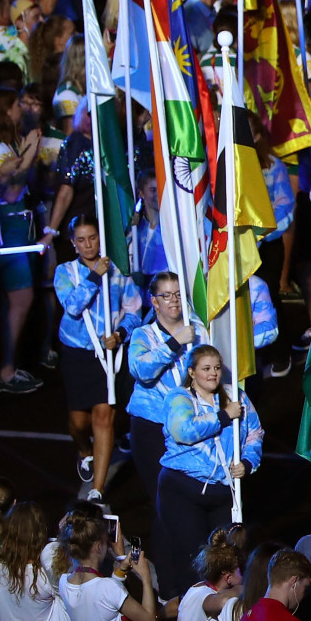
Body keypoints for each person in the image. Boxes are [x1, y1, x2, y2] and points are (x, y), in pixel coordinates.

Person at [158, 347, 264, 600]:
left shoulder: (235, 396)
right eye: (206, 369)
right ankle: (191, 614)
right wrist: (224, 416)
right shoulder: (178, 398)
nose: (213, 374)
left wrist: (248, 463)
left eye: (217, 368)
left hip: (222, 490)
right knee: (193, 559)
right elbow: (184, 431)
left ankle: (221, 617)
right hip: (183, 490)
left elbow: (255, 433)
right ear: (192, 372)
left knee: (226, 558)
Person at [51, 220, 140, 505]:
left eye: (93, 238)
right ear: (73, 243)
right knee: (79, 423)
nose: (89, 244)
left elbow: (134, 311)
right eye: (82, 239)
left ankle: (97, 489)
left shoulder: (118, 272)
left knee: (104, 417)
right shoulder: (65, 272)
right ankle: (82, 450)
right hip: (77, 352)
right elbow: (73, 307)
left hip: (108, 356)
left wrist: (120, 333)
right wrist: (93, 277)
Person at [126, 270, 208, 511]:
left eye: (178, 294)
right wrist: (174, 342)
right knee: (162, 500)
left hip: (189, 424)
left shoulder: (199, 332)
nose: (173, 300)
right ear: (154, 302)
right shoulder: (143, 334)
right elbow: (141, 370)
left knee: (188, 499)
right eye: (166, 295)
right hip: (152, 426)